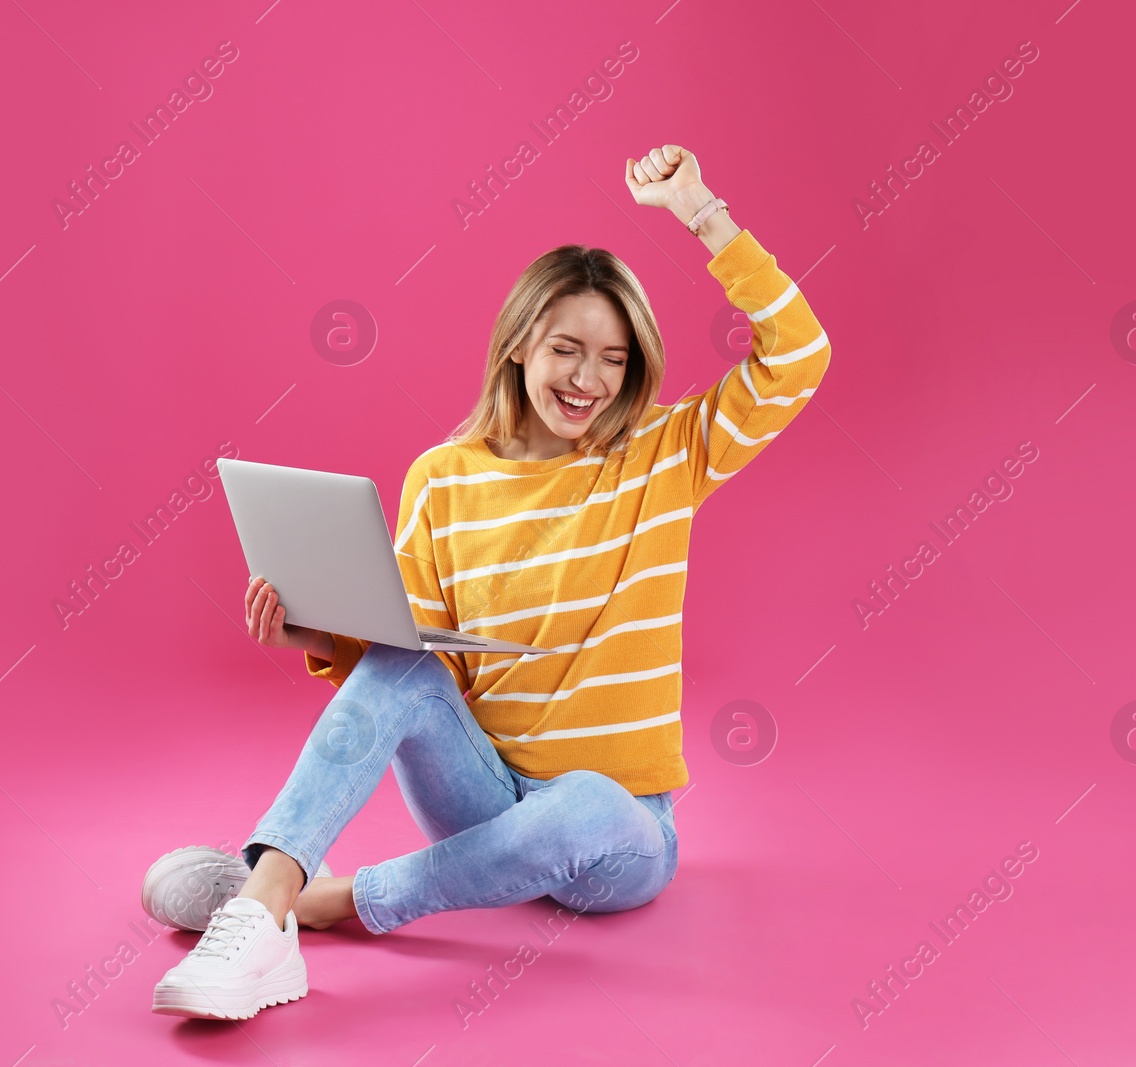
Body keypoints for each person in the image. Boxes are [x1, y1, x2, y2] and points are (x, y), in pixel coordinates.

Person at [144, 144, 833, 1020]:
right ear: (518, 347)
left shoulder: (664, 454)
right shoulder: (444, 475)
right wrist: (311, 633)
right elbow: (409, 653)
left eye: (614, 359)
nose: (588, 379)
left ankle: (322, 899)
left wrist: (702, 212)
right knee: (407, 664)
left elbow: (799, 355)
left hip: (615, 837)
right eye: (566, 349)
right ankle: (263, 904)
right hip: (482, 798)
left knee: (592, 802)